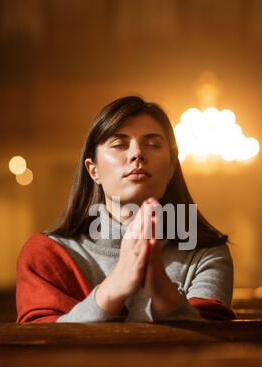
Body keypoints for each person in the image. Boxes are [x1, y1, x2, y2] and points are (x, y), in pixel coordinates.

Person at [16, 96, 236, 324]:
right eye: (120, 144)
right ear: (94, 171)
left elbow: (212, 343)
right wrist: (114, 287)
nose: (137, 154)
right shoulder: (48, 253)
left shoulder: (205, 252)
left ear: (171, 168)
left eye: (153, 144)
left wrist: (161, 290)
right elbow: (40, 347)